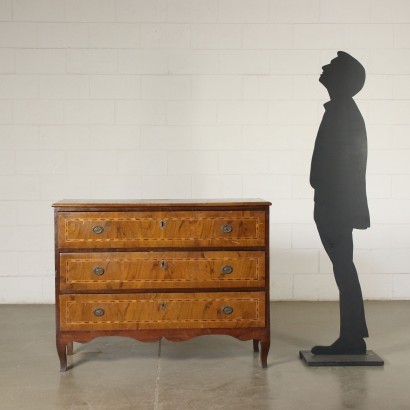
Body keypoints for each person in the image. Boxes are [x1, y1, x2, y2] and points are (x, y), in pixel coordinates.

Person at [310, 51, 370, 355]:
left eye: (332, 66)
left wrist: (332, 205)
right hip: (334, 204)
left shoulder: (343, 112)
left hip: (335, 206)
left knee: (343, 268)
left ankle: (352, 338)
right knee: (343, 267)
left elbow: (348, 166)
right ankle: (353, 335)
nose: (324, 67)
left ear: (343, 79)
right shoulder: (341, 110)